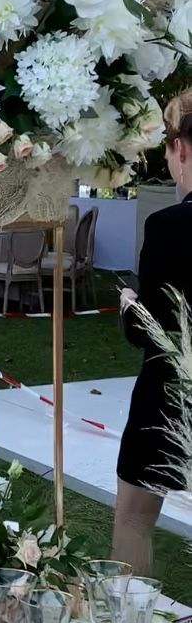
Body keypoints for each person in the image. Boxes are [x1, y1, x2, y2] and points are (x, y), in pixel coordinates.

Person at [112, 91, 192, 573]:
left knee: (134, 520)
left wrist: (129, 309)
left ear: (180, 148)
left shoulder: (170, 226)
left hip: (170, 395)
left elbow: (153, 329)